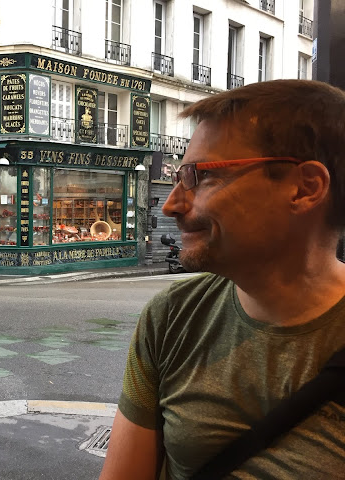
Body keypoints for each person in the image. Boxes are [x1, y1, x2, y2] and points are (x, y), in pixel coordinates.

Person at [100, 80, 345, 480]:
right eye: (180, 176)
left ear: (305, 188)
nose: (171, 203)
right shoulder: (171, 317)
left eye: (202, 176)